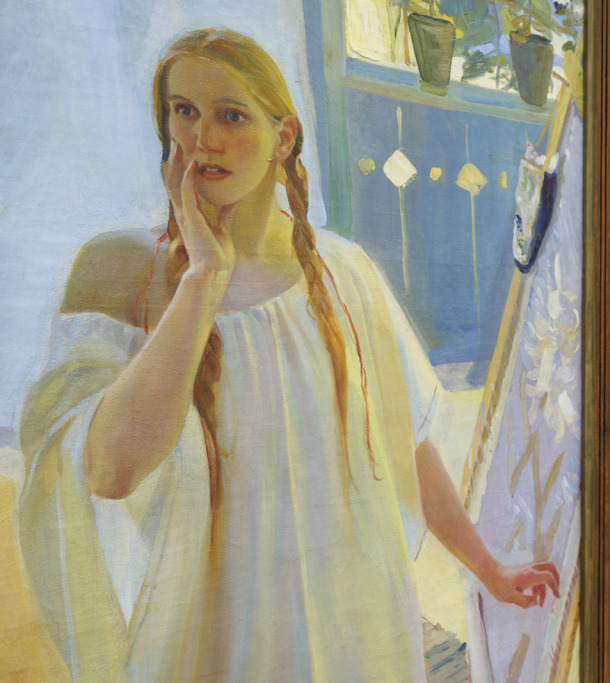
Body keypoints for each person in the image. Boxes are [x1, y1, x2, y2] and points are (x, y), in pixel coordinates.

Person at [16, 29, 558, 681]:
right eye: (183, 111)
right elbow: (108, 471)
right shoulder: (122, 269)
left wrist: (488, 567)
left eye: (230, 115)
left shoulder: (345, 273)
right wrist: (203, 278)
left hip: (352, 625)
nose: (202, 138)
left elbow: (406, 445)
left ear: (285, 137)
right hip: (219, 641)